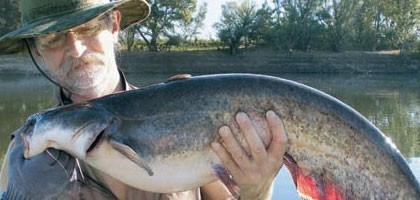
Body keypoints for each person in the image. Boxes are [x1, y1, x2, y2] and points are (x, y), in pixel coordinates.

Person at [0, 0, 289, 199]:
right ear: (37, 51)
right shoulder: (23, 153)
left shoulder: (193, 110)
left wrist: (257, 191)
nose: (75, 49)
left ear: (113, 24)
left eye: (86, 28)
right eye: (53, 38)